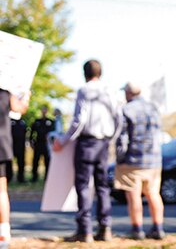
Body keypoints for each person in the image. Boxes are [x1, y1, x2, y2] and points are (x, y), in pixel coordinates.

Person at [52, 59, 119, 243]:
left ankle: (85, 230)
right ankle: (105, 228)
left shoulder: (84, 90)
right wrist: (111, 139)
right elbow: (118, 118)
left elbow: (79, 119)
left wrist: (64, 141)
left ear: (84, 73)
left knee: (83, 185)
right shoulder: (109, 91)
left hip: (87, 143)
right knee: (102, 186)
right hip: (103, 143)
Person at [115, 82, 165, 240]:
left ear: (128, 93)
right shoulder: (153, 108)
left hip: (133, 159)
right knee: (153, 194)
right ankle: (158, 228)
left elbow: (123, 138)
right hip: (154, 160)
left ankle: (137, 229)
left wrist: (119, 158)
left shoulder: (126, 109)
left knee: (133, 196)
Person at [0, 90, 28, 248]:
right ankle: (3, 236)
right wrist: (25, 97)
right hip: (1, 144)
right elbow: (20, 108)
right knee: (1, 191)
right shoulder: (5, 92)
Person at [28, 105, 54, 182]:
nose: (44, 111)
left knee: (47, 161)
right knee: (36, 160)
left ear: (47, 111)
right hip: (38, 143)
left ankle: (47, 177)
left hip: (47, 144)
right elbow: (32, 132)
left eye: (45, 110)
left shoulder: (50, 121)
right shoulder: (37, 121)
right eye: (42, 110)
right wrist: (31, 141)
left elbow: (53, 133)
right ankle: (34, 177)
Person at [9, 117, 25, 183]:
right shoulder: (9, 121)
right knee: (9, 163)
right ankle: (9, 178)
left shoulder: (23, 122)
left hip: (21, 146)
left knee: (21, 162)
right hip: (11, 146)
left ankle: (20, 178)